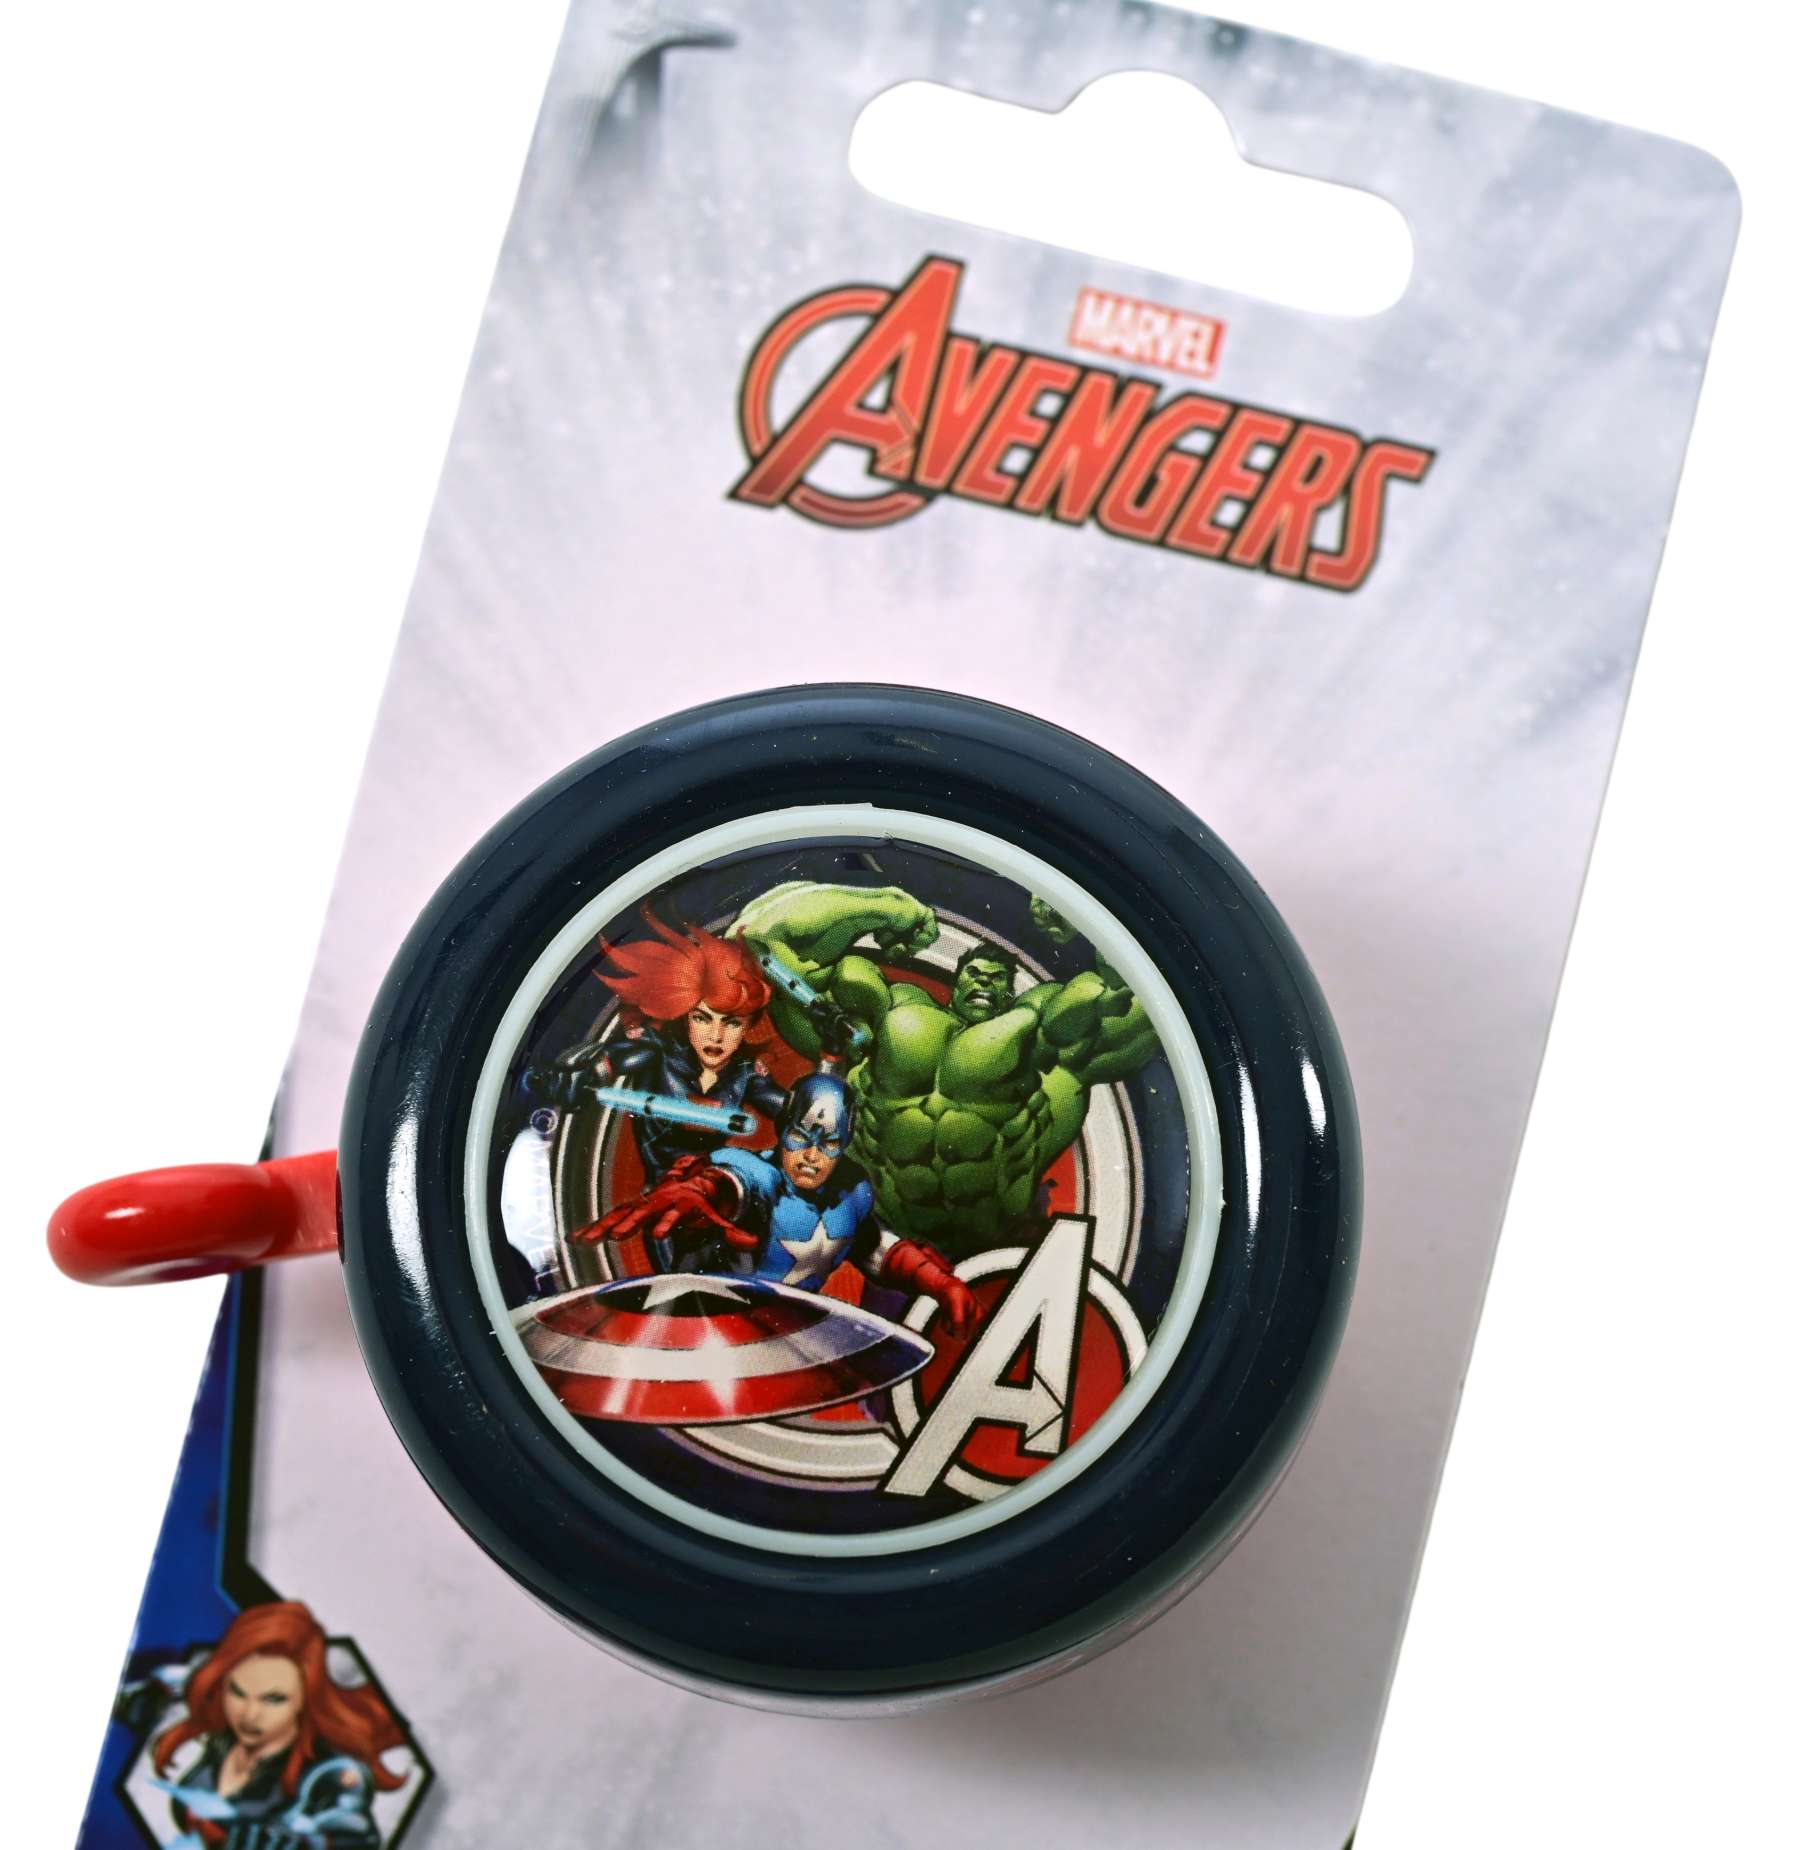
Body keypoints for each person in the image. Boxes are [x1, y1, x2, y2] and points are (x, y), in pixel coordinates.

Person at [730, 884, 1162, 1258]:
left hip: (1004, 1256)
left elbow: (1147, 999)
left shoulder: (1044, 1041)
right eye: (974, 973)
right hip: (872, 1245)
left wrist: (1092, 917)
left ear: (1010, 993)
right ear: (957, 982)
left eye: (997, 979)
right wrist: (884, 906)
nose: (984, 983)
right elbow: (761, 943)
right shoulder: (885, 1020)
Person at [576, 1072, 978, 1335]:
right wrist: (700, 1190)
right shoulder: (759, 1174)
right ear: (784, 1129)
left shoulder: (851, 1191)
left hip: (785, 1339)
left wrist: (940, 1284)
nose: (811, 1156)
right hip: (701, 1330)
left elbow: (875, 1247)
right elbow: (734, 1182)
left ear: (845, 1143)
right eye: (801, 1137)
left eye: (829, 1143)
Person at [537, 914, 790, 1183]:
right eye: (702, 1019)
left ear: (749, 1026)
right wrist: (583, 1073)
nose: (716, 1036)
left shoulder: (745, 1074)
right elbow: (615, 1059)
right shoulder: (659, 1054)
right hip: (661, 1192)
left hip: (719, 1190)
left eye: (732, 1024)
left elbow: (794, 1111)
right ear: (685, 1018)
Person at [148, 1602, 406, 1849]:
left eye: (273, 1699)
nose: (249, 1715)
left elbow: (354, 1832)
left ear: (305, 1698)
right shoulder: (223, 1741)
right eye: (237, 1692)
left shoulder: (329, 1774)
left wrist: (310, 1842)